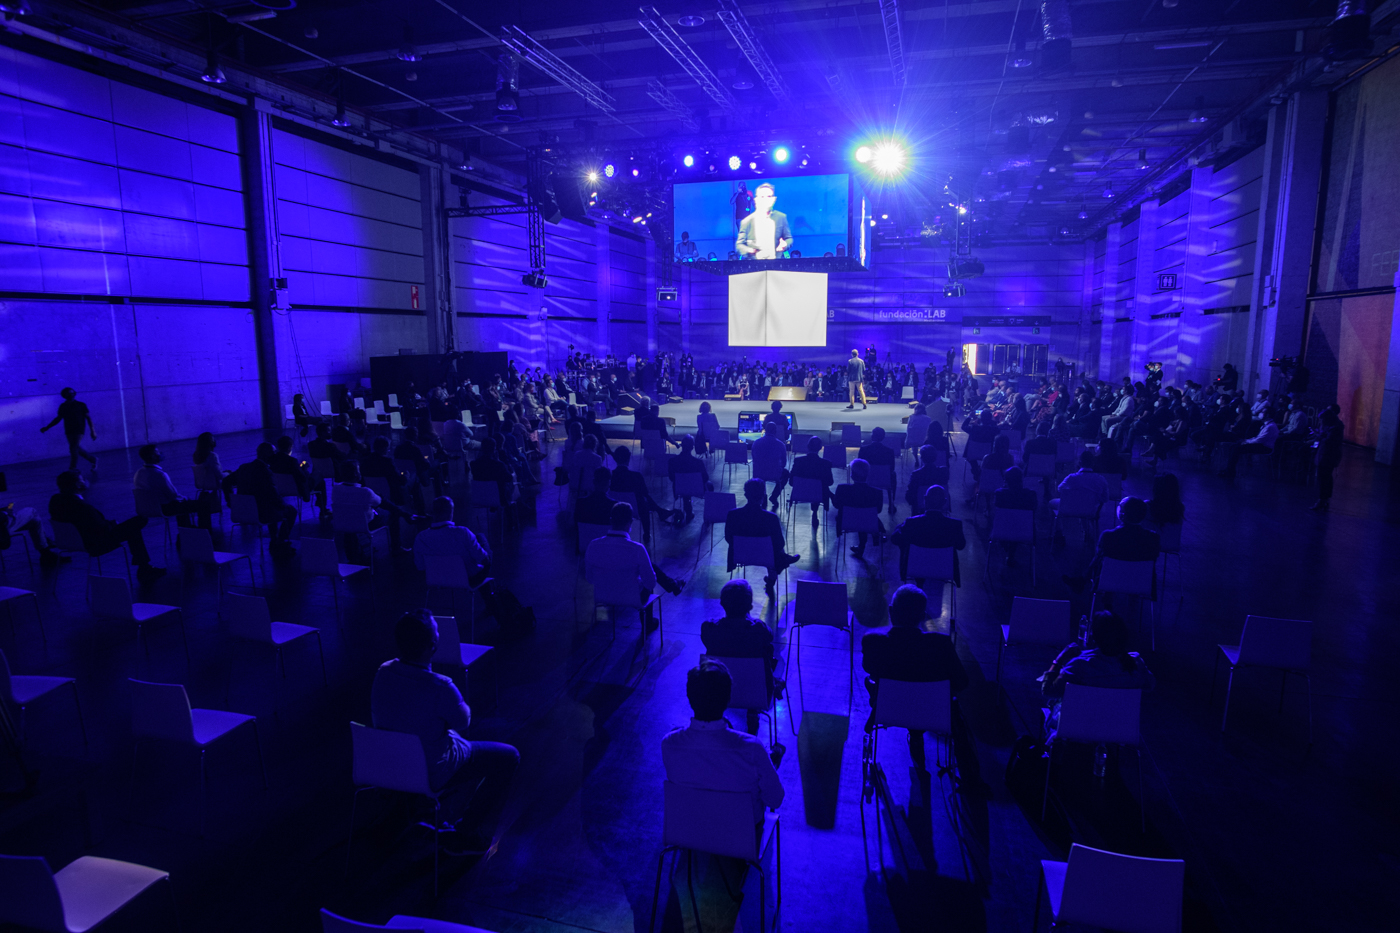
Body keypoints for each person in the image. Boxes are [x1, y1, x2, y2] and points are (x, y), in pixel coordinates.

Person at [371, 610, 520, 855]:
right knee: (509, 757)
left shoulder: (383, 672)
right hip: (430, 771)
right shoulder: (441, 686)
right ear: (432, 646)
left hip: (390, 765)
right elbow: (463, 721)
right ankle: (465, 833)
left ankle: (412, 805)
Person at [862, 585, 984, 792]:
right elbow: (962, 682)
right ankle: (970, 777)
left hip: (889, 709)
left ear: (891, 611)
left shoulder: (873, 641)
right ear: (923, 616)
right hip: (933, 713)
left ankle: (913, 734)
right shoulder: (941, 644)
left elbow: (869, 669)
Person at [414, 496, 535, 638]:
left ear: (434, 512)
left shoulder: (420, 537)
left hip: (436, 578)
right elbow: (483, 559)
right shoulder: (462, 532)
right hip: (468, 578)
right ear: (450, 512)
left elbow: (420, 566)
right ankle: (493, 606)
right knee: (481, 542)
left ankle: (490, 604)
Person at [1041, 610, 1155, 736]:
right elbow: (1150, 685)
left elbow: (1048, 691)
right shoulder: (1136, 663)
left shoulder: (1079, 665)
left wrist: (1058, 660)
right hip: (1118, 732)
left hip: (1077, 731)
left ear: (1093, 636)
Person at [700, 580, 782, 741]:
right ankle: (753, 711)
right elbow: (769, 637)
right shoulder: (758, 629)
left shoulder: (709, 629)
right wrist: (748, 618)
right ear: (750, 605)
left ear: (722, 603)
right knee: (767, 651)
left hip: (716, 692)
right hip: (756, 692)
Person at [49, 470, 165, 582]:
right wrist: (113, 524)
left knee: (132, 529)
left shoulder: (55, 501)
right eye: (82, 480)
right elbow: (100, 528)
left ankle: (144, 567)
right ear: (77, 485)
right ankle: (144, 568)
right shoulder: (81, 506)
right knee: (139, 521)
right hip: (95, 543)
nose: (85, 481)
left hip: (70, 541)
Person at [584, 501, 661, 630]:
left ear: (611, 520)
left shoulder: (593, 545)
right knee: (648, 583)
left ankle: (602, 621)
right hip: (632, 599)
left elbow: (590, 578)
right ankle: (647, 625)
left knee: (602, 598)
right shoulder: (637, 549)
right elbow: (651, 583)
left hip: (603, 595)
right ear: (630, 522)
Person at [724, 478, 800, 594]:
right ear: (763, 496)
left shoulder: (732, 515)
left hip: (740, 555)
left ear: (745, 495)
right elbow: (779, 543)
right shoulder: (771, 518)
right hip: (766, 556)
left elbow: (729, 538)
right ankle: (778, 567)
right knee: (776, 547)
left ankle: (781, 563)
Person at [889, 484, 965, 584]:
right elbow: (961, 545)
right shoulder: (955, 524)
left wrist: (900, 527)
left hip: (916, 567)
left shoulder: (911, 523)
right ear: (945, 502)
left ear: (925, 499)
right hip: (944, 569)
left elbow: (895, 539)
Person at [230, 443, 298, 554]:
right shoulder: (265, 471)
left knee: (272, 507)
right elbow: (273, 495)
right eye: (273, 453)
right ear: (267, 455)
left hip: (242, 512)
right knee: (291, 511)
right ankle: (280, 541)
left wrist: (230, 502)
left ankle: (274, 540)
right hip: (261, 513)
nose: (275, 455)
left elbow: (226, 482)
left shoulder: (244, 468)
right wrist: (283, 505)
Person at [608, 446, 679, 545]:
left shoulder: (610, 475)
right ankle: (647, 533)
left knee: (643, 500)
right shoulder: (636, 476)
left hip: (614, 507)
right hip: (636, 508)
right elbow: (645, 493)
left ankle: (660, 511)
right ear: (628, 458)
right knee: (644, 500)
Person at [132, 444, 205, 529]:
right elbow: (173, 495)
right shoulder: (160, 474)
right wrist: (185, 498)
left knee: (182, 505)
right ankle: (203, 531)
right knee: (202, 505)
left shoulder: (138, 473)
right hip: (164, 508)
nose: (160, 453)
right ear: (153, 456)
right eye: (157, 452)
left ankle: (186, 529)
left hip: (146, 508)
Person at [834, 459, 885, 559]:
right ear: (867, 474)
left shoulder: (842, 489)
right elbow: (878, 510)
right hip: (869, 523)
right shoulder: (877, 492)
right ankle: (864, 544)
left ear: (852, 475)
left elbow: (836, 505)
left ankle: (861, 547)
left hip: (846, 522)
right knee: (864, 516)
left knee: (857, 515)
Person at [40, 387, 97, 472]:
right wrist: (47, 427)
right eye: (69, 393)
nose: (71, 395)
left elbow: (88, 418)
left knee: (73, 448)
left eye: (72, 393)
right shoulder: (63, 406)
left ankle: (73, 467)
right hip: (69, 429)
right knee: (75, 448)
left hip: (79, 429)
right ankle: (92, 459)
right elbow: (58, 419)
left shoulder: (81, 405)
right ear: (64, 395)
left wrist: (93, 431)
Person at [734, 182, 792, 260]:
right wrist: (749, 250)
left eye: (769, 196)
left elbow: (789, 238)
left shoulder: (781, 218)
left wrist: (785, 244)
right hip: (755, 264)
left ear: (774, 199)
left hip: (776, 263)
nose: (765, 200)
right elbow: (739, 245)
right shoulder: (747, 221)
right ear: (757, 199)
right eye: (762, 197)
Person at [790, 435, 835, 525]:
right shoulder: (826, 464)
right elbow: (830, 482)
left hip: (800, 493)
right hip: (819, 494)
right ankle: (815, 510)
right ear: (820, 448)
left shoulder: (798, 461)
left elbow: (791, 482)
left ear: (808, 446)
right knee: (820, 487)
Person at [667, 434, 712, 521]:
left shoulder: (672, 461)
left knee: (685, 484)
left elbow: (672, 478)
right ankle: (709, 513)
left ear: (682, 445)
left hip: (679, 488)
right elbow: (705, 478)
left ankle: (688, 511)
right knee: (709, 485)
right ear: (692, 447)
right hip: (697, 488)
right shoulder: (698, 463)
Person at [1219, 415, 1279, 479]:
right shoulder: (1267, 425)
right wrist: (1246, 441)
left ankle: (1230, 471)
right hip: (1260, 445)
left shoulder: (1270, 426)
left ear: (1268, 415)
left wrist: (1246, 441)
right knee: (1233, 446)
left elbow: (1260, 439)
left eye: (1263, 412)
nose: (1260, 414)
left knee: (1236, 448)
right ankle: (1229, 469)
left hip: (1265, 447)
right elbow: (1258, 438)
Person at [751, 420, 790, 509]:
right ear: (775, 431)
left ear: (765, 430)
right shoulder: (780, 445)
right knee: (786, 474)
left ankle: (763, 496)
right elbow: (784, 463)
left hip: (758, 473)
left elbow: (754, 459)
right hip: (775, 473)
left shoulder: (756, 443)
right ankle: (774, 496)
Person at [858, 427, 898, 512]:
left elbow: (860, 466)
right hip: (884, 478)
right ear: (883, 437)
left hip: (868, 478)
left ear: (872, 436)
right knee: (893, 475)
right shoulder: (889, 451)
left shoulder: (863, 450)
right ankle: (891, 502)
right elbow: (892, 468)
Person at [1310, 409, 1344, 511]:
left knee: (1323, 478)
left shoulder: (1334, 428)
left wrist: (1318, 435)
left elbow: (1329, 441)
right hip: (1328, 455)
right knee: (1327, 477)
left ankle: (1322, 499)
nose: (1320, 422)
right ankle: (1325, 499)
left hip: (1327, 455)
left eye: (1321, 419)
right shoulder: (1336, 426)